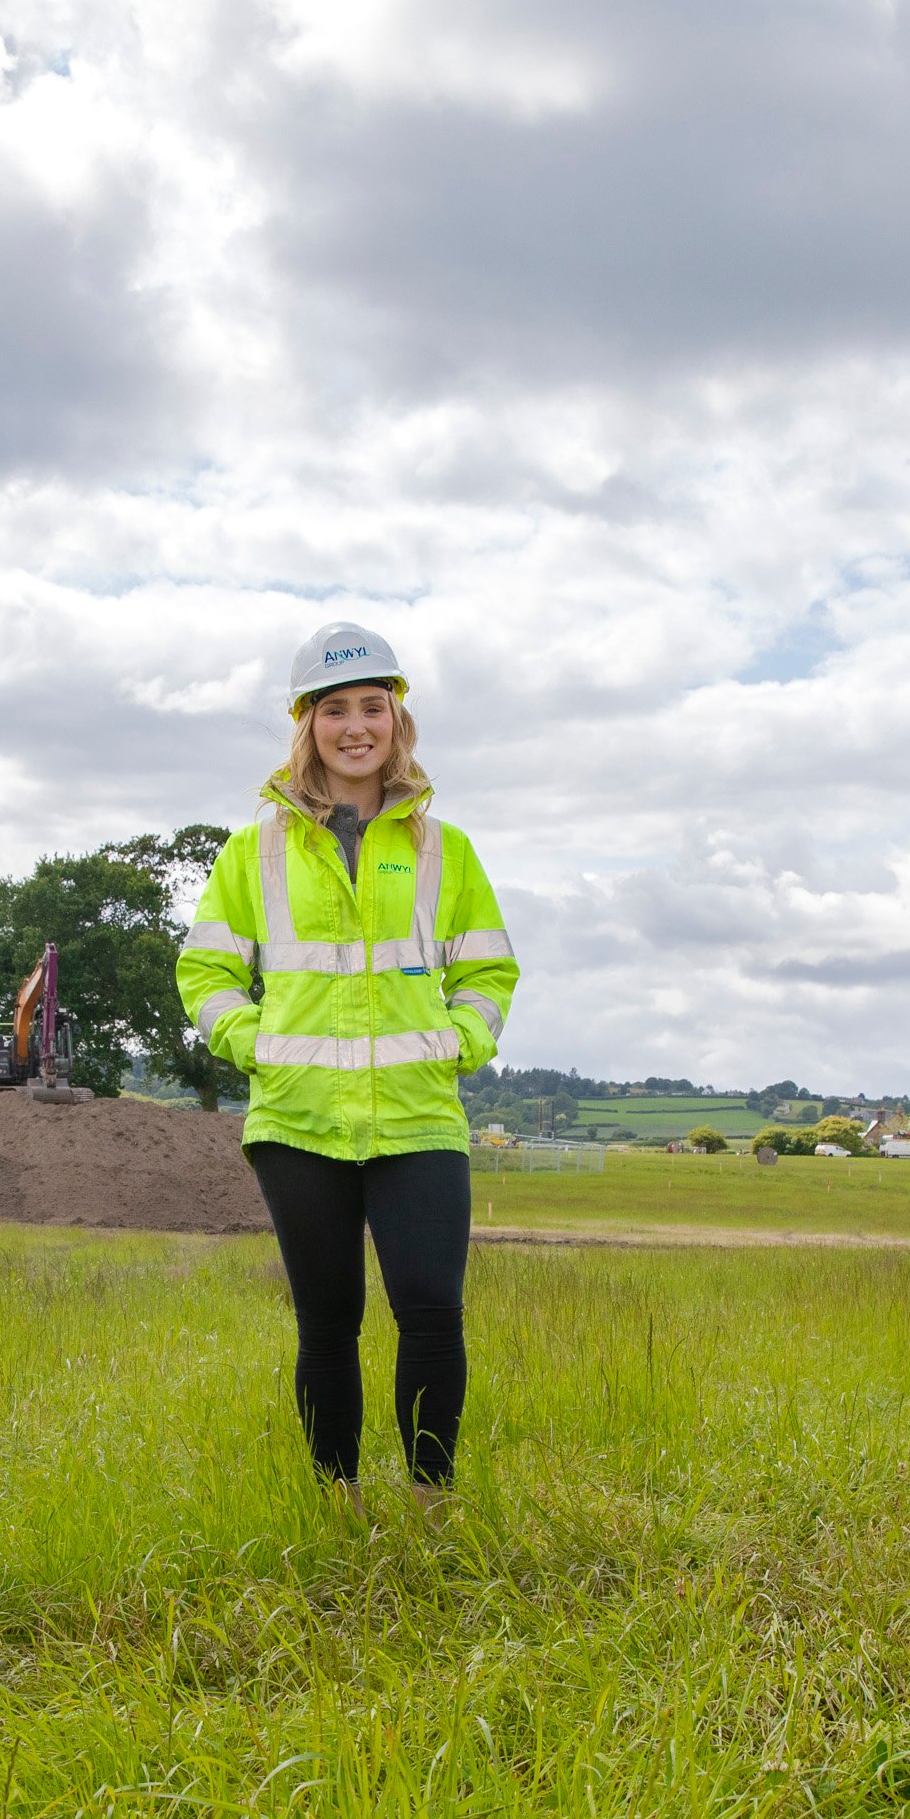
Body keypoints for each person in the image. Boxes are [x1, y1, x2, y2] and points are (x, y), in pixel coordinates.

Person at [175, 623, 521, 1515]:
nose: (355, 725)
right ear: (307, 724)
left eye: (374, 706)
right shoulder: (252, 851)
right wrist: (254, 1043)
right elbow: (206, 971)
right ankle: (338, 1501)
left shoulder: (445, 849)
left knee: (430, 1313)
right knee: (327, 1323)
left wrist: (461, 1041)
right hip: (298, 1121)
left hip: (418, 1119)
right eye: (335, 709)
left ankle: (429, 1501)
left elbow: (486, 970)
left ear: (397, 720)